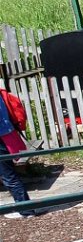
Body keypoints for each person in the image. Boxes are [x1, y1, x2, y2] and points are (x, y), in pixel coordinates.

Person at [0, 72, 40, 217]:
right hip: (6, 137)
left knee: (9, 177)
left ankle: (26, 210)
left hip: (1, 140)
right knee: (8, 176)